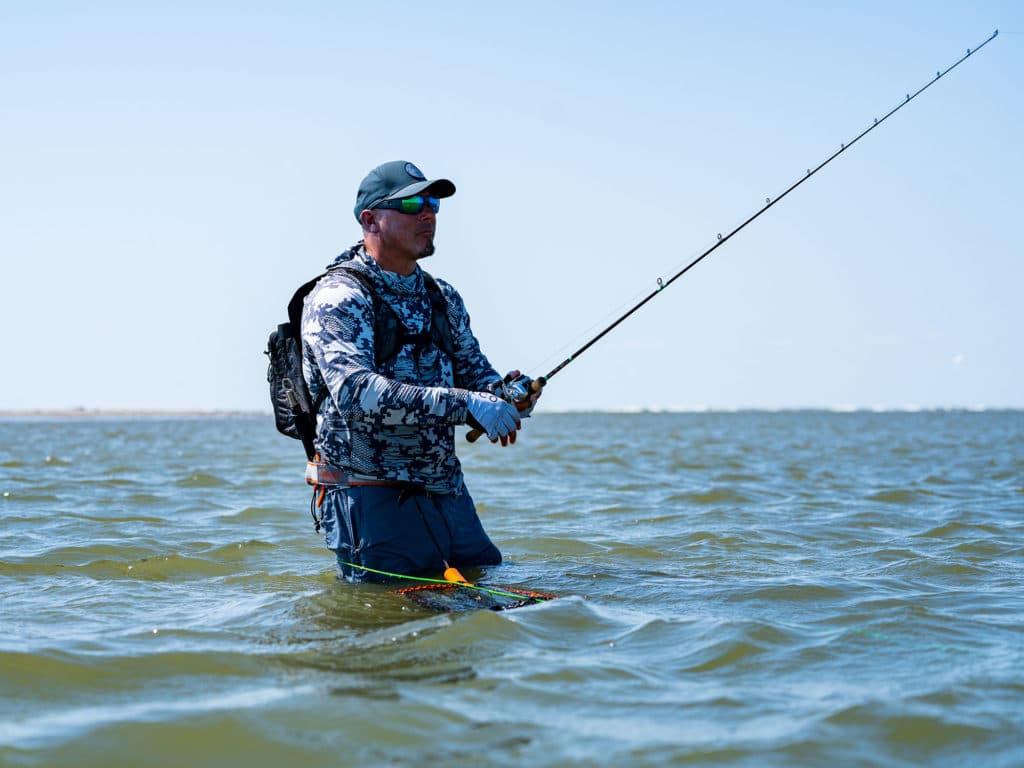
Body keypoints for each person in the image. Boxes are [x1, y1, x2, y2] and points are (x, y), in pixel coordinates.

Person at [300, 160, 538, 582]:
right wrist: (467, 404)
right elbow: (356, 394)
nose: (427, 213)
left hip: (446, 493)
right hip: (368, 497)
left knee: (486, 605)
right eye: (411, 203)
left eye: (432, 203)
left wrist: (506, 395)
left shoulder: (442, 296)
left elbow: (475, 376)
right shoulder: (338, 295)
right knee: (396, 620)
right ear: (369, 219)